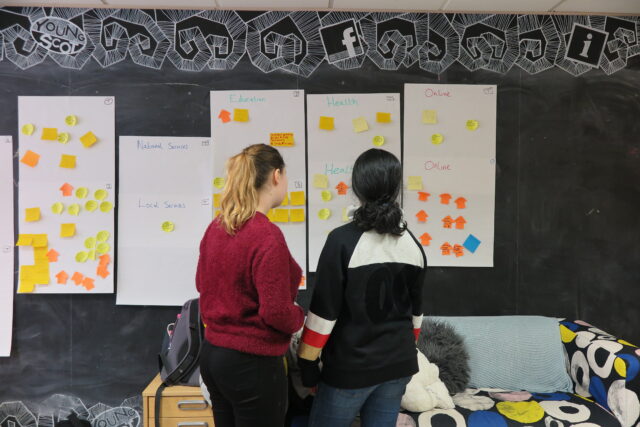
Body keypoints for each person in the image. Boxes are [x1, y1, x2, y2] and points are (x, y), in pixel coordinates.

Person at [297, 148, 427, 427]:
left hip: (350, 371)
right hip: (398, 367)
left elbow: (323, 316)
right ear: (395, 189)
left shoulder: (341, 241)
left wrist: (307, 367)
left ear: (357, 188)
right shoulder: (413, 245)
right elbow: (416, 317)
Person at [197, 143, 304, 427]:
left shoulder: (216, 227)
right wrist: (299, 316)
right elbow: (277, 312)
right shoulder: (267, 235)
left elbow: (201, 284)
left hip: (212, 356)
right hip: (251, 364)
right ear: (277, 176)